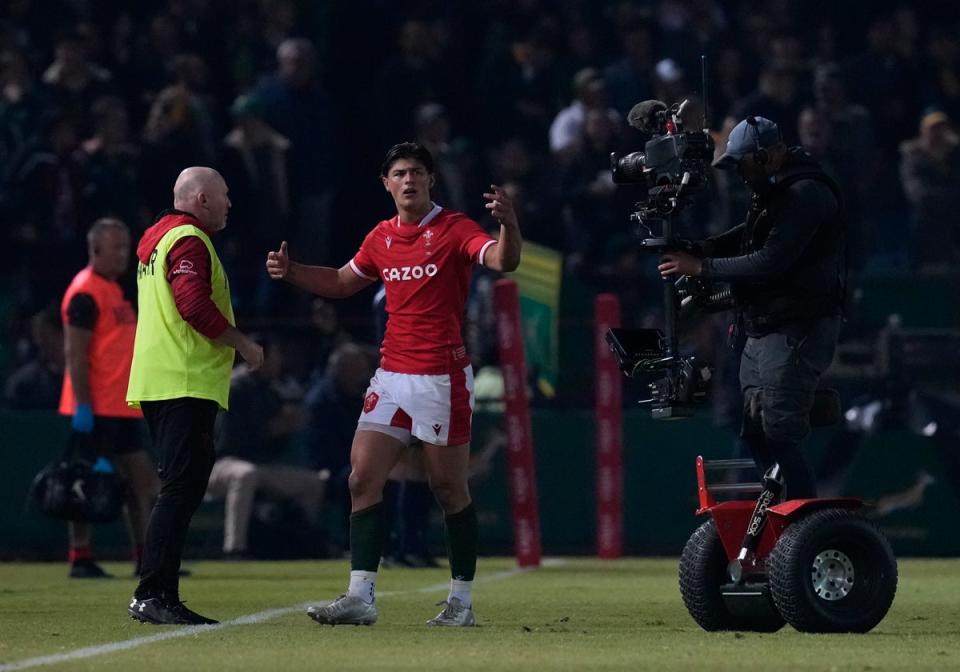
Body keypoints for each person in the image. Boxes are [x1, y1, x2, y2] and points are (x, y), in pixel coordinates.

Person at [266, 142, 522, 627]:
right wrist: (294, 272)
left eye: (418, 172)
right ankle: (360, 597)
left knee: (448, 488)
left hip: (441, 378)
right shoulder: (380, 236)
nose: (409, 180)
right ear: (386, 183)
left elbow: (502, 262)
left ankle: (461, 603)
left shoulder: (454, 229)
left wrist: (509, 224)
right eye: (400, 173)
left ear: (430, 181)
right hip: (391, 375)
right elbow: (344, 281)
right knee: (361, 478)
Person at [658, 117, 844, 499]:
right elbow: (748, 236)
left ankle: (804, 522)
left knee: (779, 426)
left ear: (769, 155)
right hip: (763, 325)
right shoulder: (774, 192)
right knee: (755, 427)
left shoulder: (805, 193)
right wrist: (705, 247)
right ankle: (781, 511)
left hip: (798, 326)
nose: (741, 174)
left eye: (744, 163)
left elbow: (770, 259)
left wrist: (703, 268)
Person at [126, 166, 263, 625]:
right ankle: (154, 593)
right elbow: (192, 304)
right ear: (202, 198)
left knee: (180, 487)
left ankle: (159, 591)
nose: (229, 203)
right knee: (180, 488)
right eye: (223, 195)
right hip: (182, 379)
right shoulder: (189, 240)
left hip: (161, 379)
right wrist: (241, 342)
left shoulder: (156, 239)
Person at [58, 217, 159, 579]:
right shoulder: (85, 292)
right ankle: (80, 556)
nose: (123, 255)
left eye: (124, 247)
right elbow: (75, 354)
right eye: (116, 248)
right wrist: (83, 407)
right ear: (95, 249)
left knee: (141, 482)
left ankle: (146, 558)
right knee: (85, 482)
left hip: (122, 404)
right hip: (97, 405)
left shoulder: (114, 290)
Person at [206, 338, 326, 559]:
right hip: (222, 465)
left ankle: (301, 545)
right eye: (275, 357)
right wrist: (271, 429)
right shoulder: (234, 386)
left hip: (261, 465)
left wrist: (286, 429)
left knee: (313, 483)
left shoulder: (270, 389)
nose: (279, 363)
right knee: (245, 474)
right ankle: (234, 549)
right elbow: (230, 440)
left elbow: (275, 444)